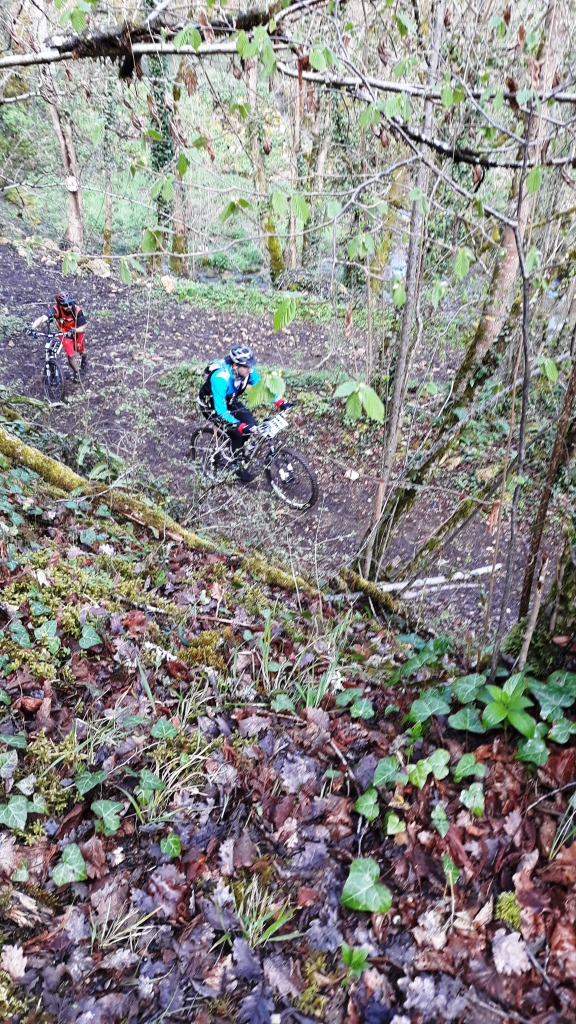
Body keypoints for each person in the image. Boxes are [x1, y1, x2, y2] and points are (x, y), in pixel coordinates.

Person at [198, 345, 286, 482]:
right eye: (246, 366)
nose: (250, 369)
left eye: (250, 366)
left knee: (252, 425)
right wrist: (239, 426)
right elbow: (221, 412)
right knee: (237, 433)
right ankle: (236, 466)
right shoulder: (220, 378)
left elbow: (262, 388)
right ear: (235, 365)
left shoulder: (247, 371)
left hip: (230, 400)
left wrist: (280, 402)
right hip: (212, 407)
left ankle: (237, 451)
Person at [27, 293, 87, 381]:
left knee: (80, 351)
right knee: (71, 355)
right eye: (65, 305)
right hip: (64, 333)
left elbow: (83, 327)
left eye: (70, 304)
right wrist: (32, 327)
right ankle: (77, 372)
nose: (69, 307)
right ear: (60, 305)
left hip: (77, 332)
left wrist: (74, 330)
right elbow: (43, 318)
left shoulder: (77, 310)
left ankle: (84, 360)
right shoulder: (56, 310)